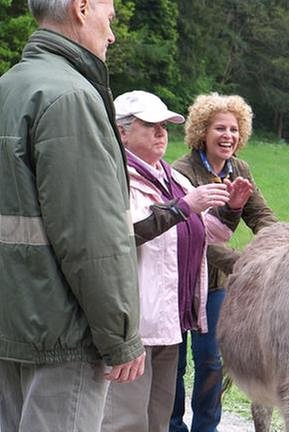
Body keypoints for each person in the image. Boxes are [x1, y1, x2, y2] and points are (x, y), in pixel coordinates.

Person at [0, 1, 146, 430]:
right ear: (82, 8)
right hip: (64, 336)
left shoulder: (8, 86)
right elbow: (93, 239)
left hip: (13, 325)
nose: (112, 34)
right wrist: (120, 336)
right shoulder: (71, 98)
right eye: (110, 18)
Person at [100, 90, 253, 432]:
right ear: (121, 132)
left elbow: (211, 233)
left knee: (158, 418)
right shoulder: (112, 176)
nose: (161, 133)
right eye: (150, 125)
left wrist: (233, 209)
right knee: (125, 419)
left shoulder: (173, 178)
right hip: (133, 322)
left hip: (168, 321)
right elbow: (123, 236)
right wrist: (182, 207)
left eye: (165, 126)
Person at [169, 93, 277, 432]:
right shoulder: (181, 172)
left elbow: (261, 215)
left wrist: (281, 244)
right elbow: (193, 237)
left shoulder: (239, 170)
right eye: (219, 128)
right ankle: (172, 426)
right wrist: (242, 263)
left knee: (212, 362)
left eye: (233, 129)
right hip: (179, 282)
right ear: (203, 131)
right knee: (173, 365)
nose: (227, 135)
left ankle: (206, 427)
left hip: (216, 287)